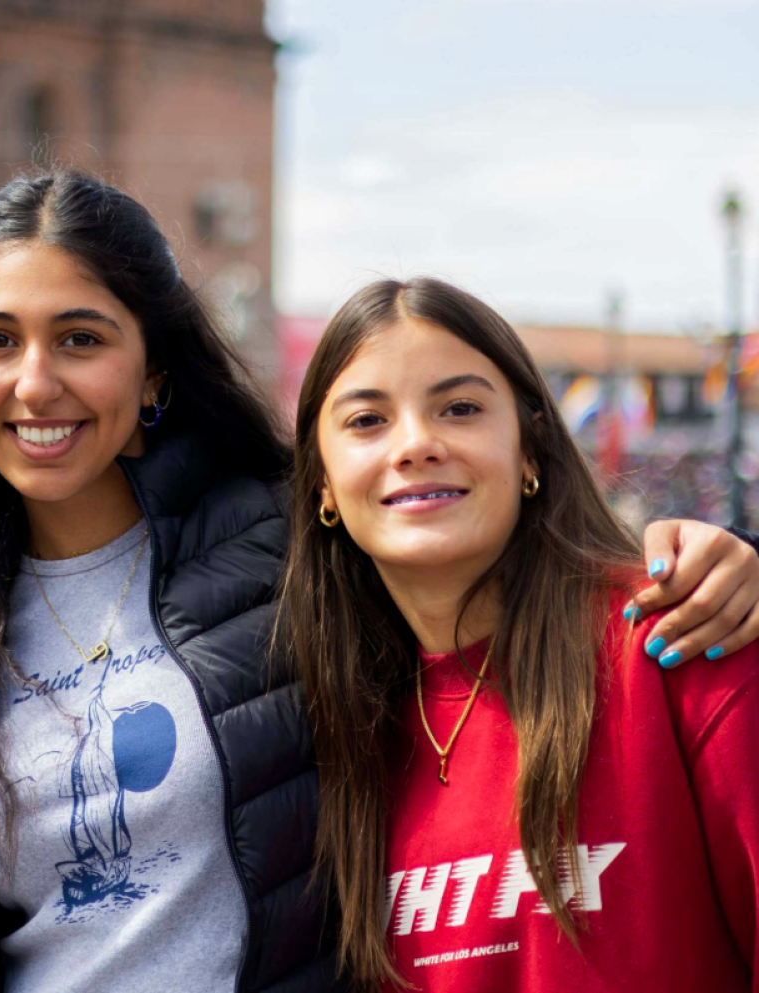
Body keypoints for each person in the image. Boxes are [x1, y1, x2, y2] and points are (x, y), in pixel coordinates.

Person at [0, 172, 759, 993]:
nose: (36, 380)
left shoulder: (285, 555)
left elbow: (443, 534)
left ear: (153, 367)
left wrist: (729, 555)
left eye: (80, 337)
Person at [282, 277, 757, 991]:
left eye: (461, 408)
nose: (416, 443)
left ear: (530, 450)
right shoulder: (327, 731)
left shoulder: (678, 634)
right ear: (322, 483)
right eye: (366, 421)